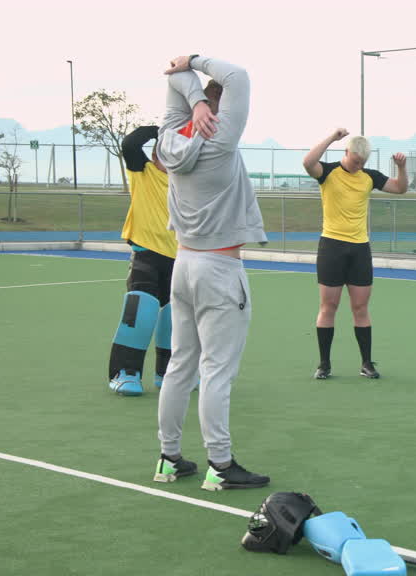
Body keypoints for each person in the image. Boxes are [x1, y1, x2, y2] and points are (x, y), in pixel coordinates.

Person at [153, 54, 269, 491]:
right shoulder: (220, 139)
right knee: (217, 371)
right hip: (219, 269)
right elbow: (238, 75)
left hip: (184, 266)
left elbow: (175, 77)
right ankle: (220, 465)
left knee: (181, 365)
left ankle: (169, 459)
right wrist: (197, 62)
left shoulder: (169, 139)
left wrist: (195, 94)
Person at [302, 129, 407, 380]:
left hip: (359, 249)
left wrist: (401, 168)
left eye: (363, 162)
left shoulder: (369, 177)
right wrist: (331, 138)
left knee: (360, 307)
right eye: (355, 161)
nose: (359, 166)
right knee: (329, 306)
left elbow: (400, 188)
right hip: (332, 247)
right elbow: (308, 162)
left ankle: (366, 364)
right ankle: (324, 364)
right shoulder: (328, 172)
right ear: (346, 152)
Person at [106, 123, 181, 396]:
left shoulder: (185, 182)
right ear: (155, 156)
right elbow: (129, 144)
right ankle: (124, 372)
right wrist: (161, 130)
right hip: (146, 255)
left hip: (179, 260)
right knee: (141, 312)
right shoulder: (142, 172)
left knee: (174, 318)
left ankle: (168, 372)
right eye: (166, 153)